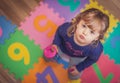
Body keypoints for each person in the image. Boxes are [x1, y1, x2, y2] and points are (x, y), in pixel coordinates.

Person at [44, 8, 109, 81]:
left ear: (97, 37)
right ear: (78, 22)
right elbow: (59, 32)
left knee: (75, 74)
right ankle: (50, 57)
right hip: (62, 47)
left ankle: (73, 74)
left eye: (92, 32)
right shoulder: (68, 29)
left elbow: (92, 59)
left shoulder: (96, 49)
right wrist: (55, 44)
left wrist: (79, 67)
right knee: (48, 54)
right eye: (84, 26)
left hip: (78, 57)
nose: (85, 33)